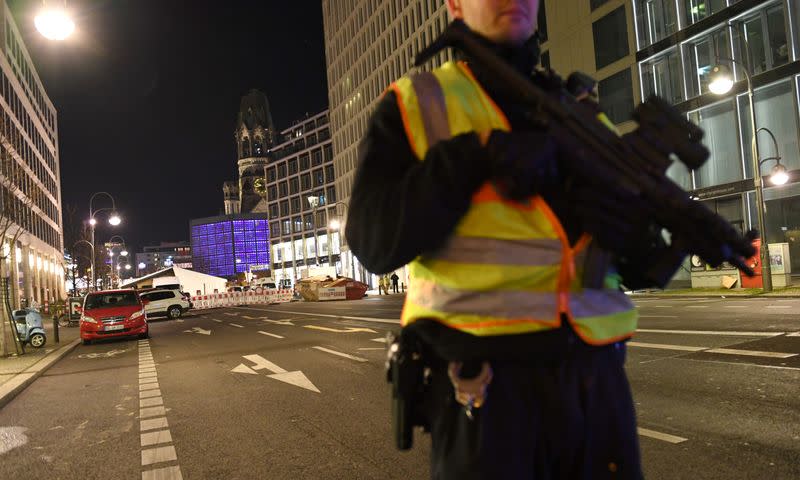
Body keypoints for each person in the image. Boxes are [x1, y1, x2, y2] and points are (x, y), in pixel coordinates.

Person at [346, 0, 646, 478]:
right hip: (486, 391)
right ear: (455, 4)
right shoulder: (417, 103)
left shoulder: (583, 113)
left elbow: (639, 263)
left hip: (598, 386)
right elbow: (372, 241)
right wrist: (473, 156)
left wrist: (638, 233)